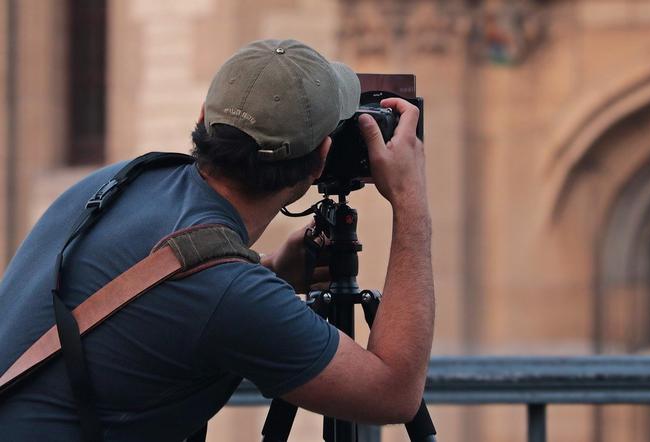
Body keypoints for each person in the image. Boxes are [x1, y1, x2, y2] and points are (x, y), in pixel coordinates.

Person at [0, 39, 433, 441]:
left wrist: (269, 270)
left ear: (204, 118)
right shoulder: (228, 293)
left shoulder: (119, 181)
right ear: (320, 158)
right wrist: (410, 201)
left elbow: (169, 296)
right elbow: (393, 392)